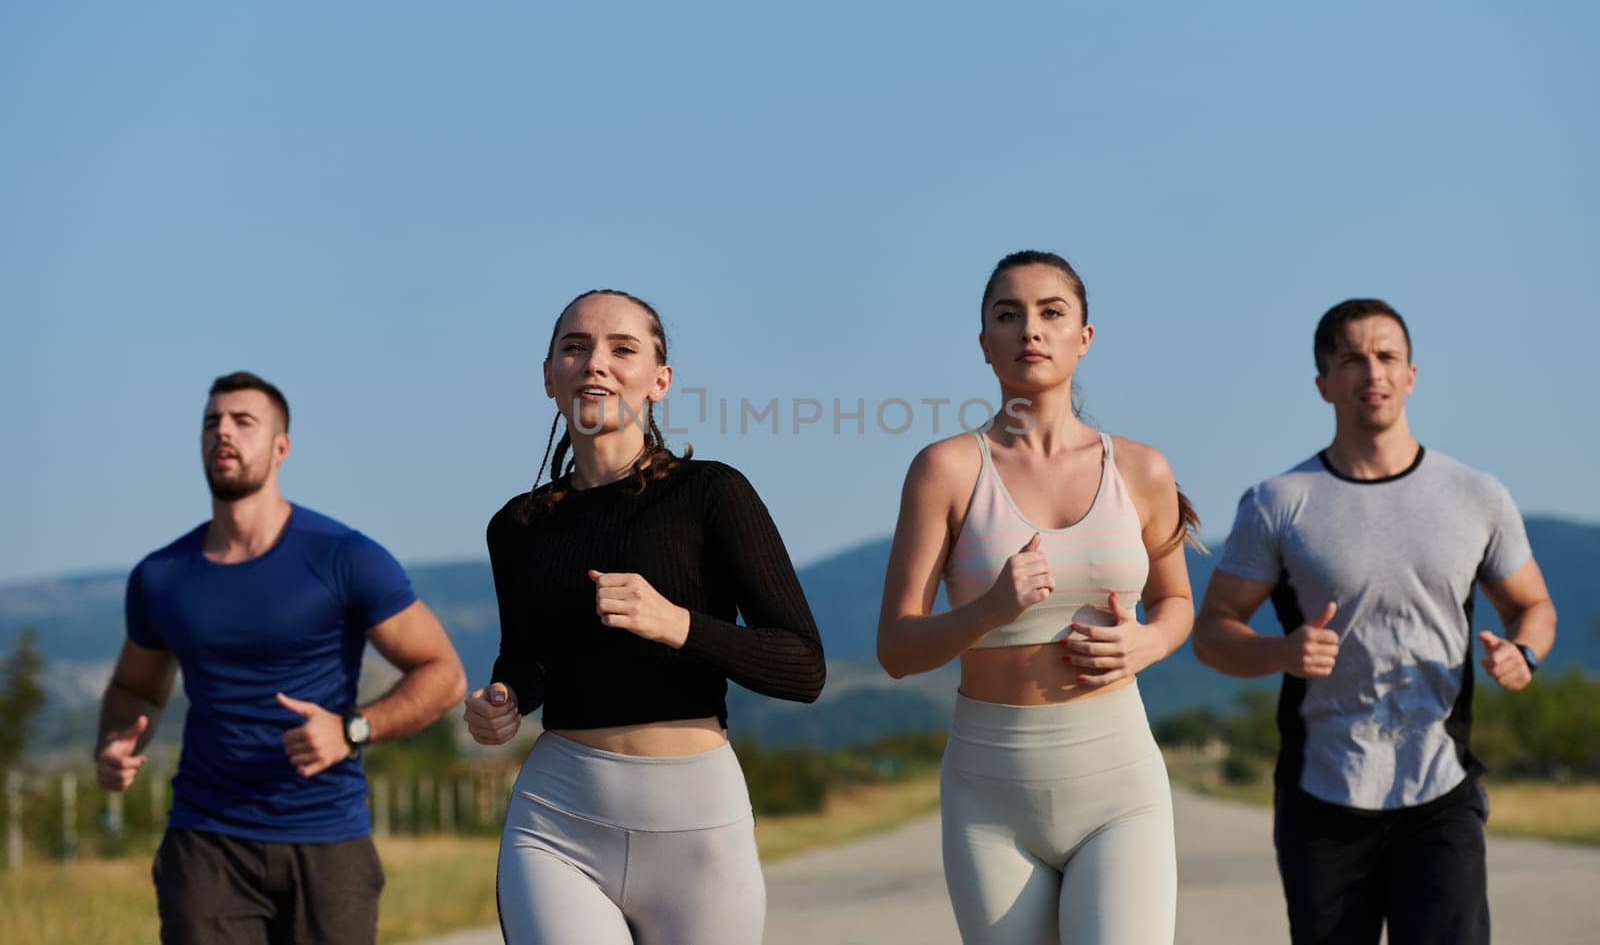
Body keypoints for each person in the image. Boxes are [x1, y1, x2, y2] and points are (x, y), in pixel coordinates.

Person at [462, 288, 826, 945]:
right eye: (574, 347)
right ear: (549, 377)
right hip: (558, 821)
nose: (595, 362)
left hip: (697, 830)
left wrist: (679, 623)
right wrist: (505, 698)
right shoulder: (516, 526)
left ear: (660, 379)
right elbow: (526, 659)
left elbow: (803, 666)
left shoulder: (712, 494)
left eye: (621, 348)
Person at [1193, 298, 1558, 945]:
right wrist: (1281, 651)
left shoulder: (1476, 494)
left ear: (1411, 374)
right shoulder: (1279, 502)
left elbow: (1534, 605)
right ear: (1323, 383)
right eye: (1351, 358)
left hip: (1440, 787)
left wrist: (1523, 653)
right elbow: (1213, 632)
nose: (1373, 371)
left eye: (1387, 355)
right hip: (1323, 796)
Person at [877, 250, 1199, 945]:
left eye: (1052, 312)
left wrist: (1147, 641)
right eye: (1008, 314)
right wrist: (988, 609)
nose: (1031, 329)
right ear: (985, 343)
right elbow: (897, 647)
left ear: (1084, 336)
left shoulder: (1143, 470)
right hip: (988, 793)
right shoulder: (946, 469)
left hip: (1118, 785)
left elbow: (1177, 604)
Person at [94, 371, 467, 945]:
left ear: (280, 447)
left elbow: (443, 675)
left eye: (244, 422)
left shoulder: (344, 556)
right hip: (206, 842)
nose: (224, 432)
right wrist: (115, 743)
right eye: (212, 422)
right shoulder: (161, 576)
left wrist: (353, 729)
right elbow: (136, 690)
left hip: (327, 840)